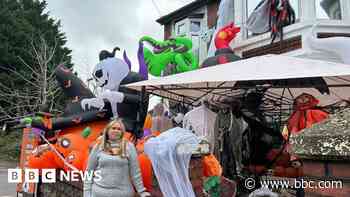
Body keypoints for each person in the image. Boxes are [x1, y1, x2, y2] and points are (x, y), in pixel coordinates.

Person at [84, 118, 151, 197]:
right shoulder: (98, 146)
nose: (116, 131)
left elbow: (135, 172)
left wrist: (142, 191)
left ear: (122, 132)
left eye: (119, 129)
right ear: (108, 130)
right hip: (98, 193)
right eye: (113, 128)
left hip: (123, 193)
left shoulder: (129, 147)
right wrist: (87, 193)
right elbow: (89, 172)